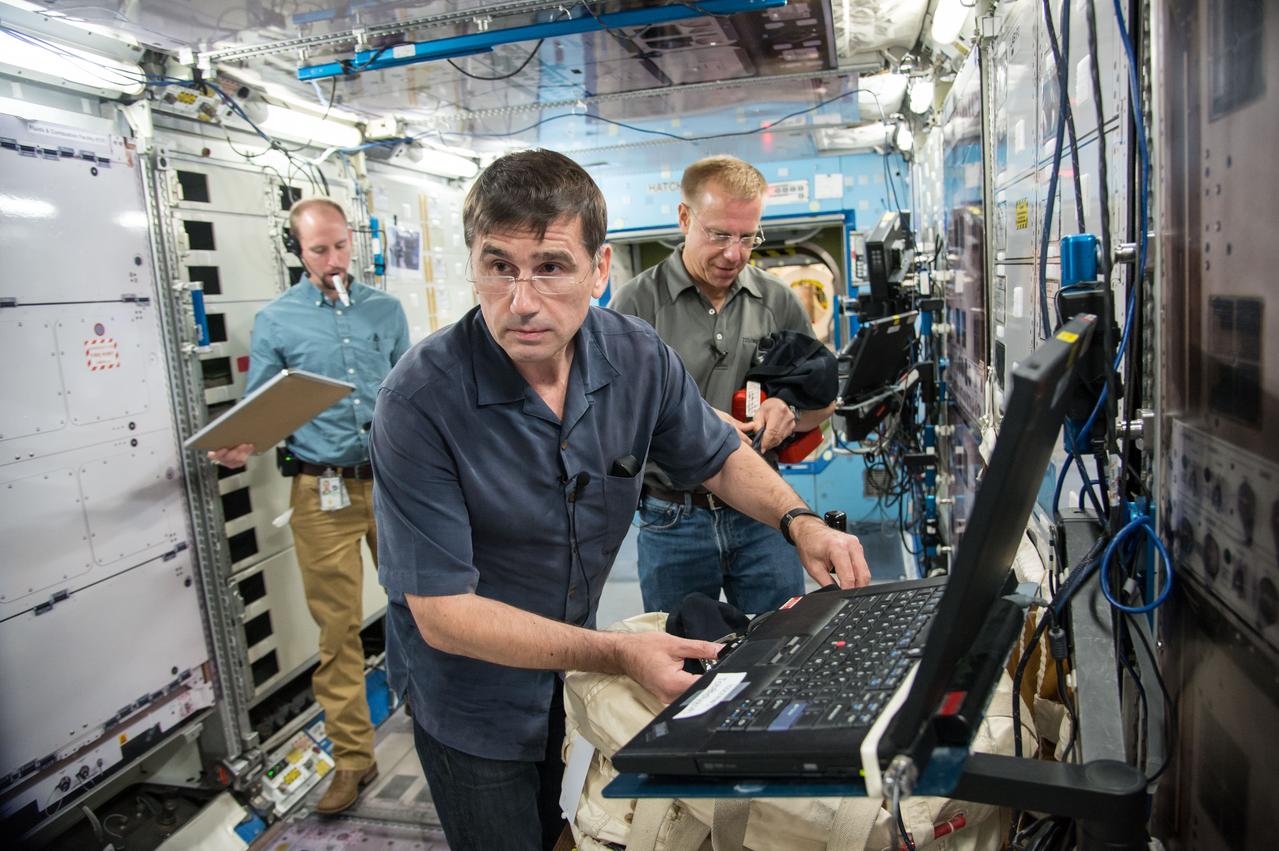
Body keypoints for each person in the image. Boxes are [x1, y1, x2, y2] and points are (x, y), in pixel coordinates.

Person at [369, 149, 869, 851]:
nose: (521, 299)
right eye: (498, 266)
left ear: (599, 270)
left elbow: (718, 454)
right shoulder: (420, 400)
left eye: (549, 266)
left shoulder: (634, 356)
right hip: (469, 699)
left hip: (571, 673)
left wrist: (799, 521)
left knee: (572, 826)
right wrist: (616, 652)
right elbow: (444, 614)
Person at [208, 197, 410, 814]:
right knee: (337, 629)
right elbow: (262, 411)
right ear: (297, 252)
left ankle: (442, 725)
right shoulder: (278, 321)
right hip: (318, 490)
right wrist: (243, 443)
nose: (333, 260)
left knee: (425, 606)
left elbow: (411, 390)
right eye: (319, 250)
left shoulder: (386, 309)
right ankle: (352, 758)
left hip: (393, 483)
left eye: (341, 246)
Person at [609, 155, 837, 616]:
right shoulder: (635, 304)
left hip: (764, 514)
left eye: (747, 237)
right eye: (719, 235)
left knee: (783, 645)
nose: (734, 253)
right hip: (673, 516)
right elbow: (612, 416)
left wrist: (787, 410)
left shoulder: (775, 300)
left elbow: (823, 401)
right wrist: (689, 425)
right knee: (685, 662)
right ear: (684, 217)